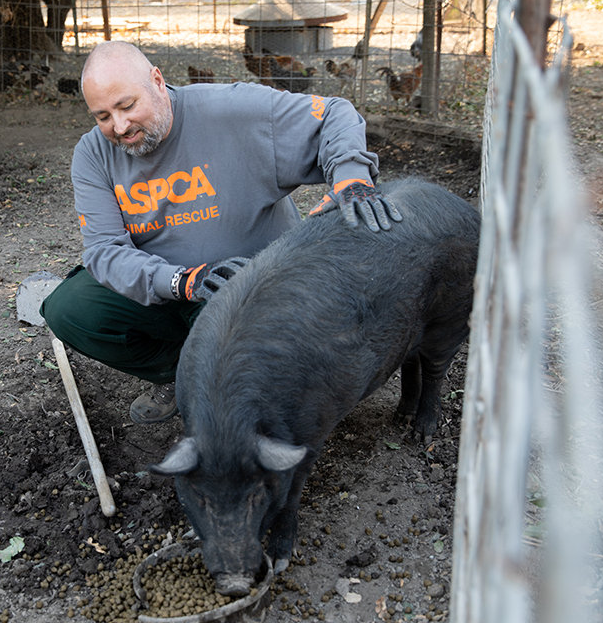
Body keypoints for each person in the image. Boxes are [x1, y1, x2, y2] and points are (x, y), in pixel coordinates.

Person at [41, 41, 400, 425]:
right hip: (174, 287)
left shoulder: (232, 112)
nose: (120, 126)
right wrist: (181, 281)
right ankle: (181, 373)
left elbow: (333, 113)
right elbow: (104, 252)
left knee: (243, 389)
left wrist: (350, 175)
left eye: (127, 106)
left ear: (157, 82)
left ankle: (241, 381)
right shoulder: (93, 154)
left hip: (253, 287)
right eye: (103, 116)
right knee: (69, 309)